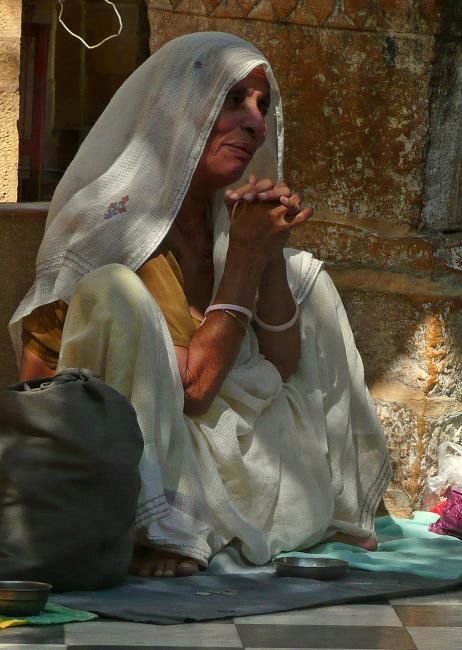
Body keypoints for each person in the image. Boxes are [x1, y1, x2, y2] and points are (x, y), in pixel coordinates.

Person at [10, 32, 391, 578]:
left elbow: (280, 366)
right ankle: (155, 527)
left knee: (312, 281)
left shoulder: (221, 215)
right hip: (113, 449)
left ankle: (248, 511)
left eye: (262, 105)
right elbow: (192, 390)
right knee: (114, 292)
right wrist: (243, 259)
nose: (255, 121)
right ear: (178, 110)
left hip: (207, 432)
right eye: (233, 100)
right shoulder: (111, 230)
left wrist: (270, 255)